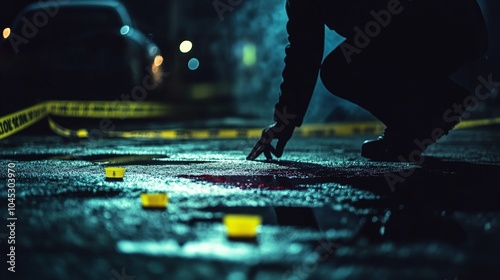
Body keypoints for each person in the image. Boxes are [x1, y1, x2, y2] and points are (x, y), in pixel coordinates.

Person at [247, 0, 489, 161]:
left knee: (341, 69)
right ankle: (416, 122)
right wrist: (284, 121)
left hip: (442, 27)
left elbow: (304, 54)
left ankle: (429, 112)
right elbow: (303, 54)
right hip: (449, 28)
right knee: (345, 65)